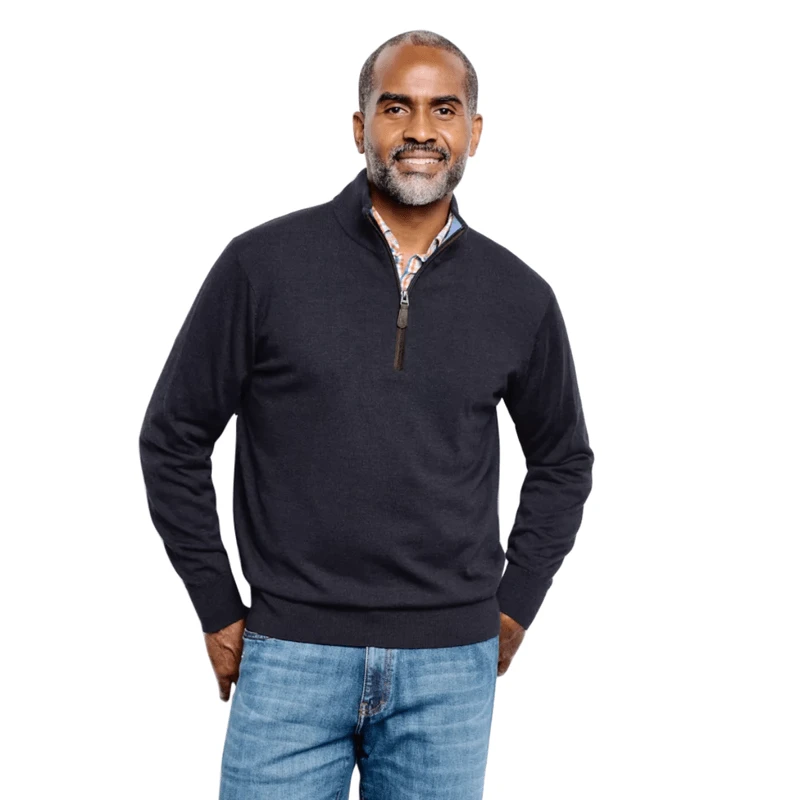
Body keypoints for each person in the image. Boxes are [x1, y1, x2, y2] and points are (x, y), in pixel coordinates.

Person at [139, 29, 594, 800]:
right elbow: (173, 437)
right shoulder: (262, 266)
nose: (420, 129)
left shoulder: (519, 295)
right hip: (289, 654)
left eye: (443, 109)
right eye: (395, 107)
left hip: (449, 669)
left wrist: (517, 602)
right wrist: (215, 602)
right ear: (360, 127)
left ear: (474, 131)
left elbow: (563, 460)